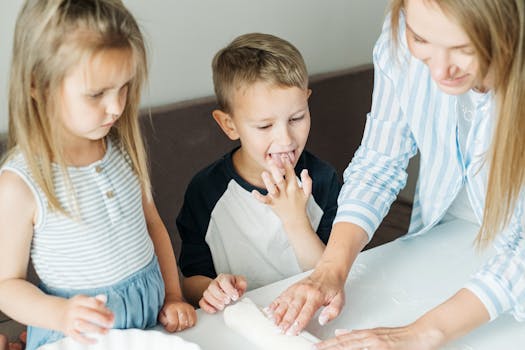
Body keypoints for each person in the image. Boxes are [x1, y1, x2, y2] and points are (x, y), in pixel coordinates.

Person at [266, 0, 525, 348]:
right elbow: (379, 162)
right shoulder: (397, 40)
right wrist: (330, 270)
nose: (439, 72)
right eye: (421, 39)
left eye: (464, 49)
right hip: (448, 238)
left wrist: (424, 332)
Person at [0, 1, 196, 349]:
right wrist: (59, 314)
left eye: (124, 87)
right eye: (97, 94)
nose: (117, 106)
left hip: (151, 322)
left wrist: (173, 294)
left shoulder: (121, 148)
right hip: (80, 337)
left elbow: (152, 225)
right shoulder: (20, 183)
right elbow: (6, 286)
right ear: (37, 84)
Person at [177, 33, 341, 314]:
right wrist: (211, 289)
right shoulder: (205, 191)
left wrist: (295, 221)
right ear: (229, 125)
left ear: (307, 101)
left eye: (297, 118)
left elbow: (333, 277)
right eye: (265, 126)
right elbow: (190, 281)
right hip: (245, 322)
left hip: (312, 314)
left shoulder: (323, 180)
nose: (286, 139)